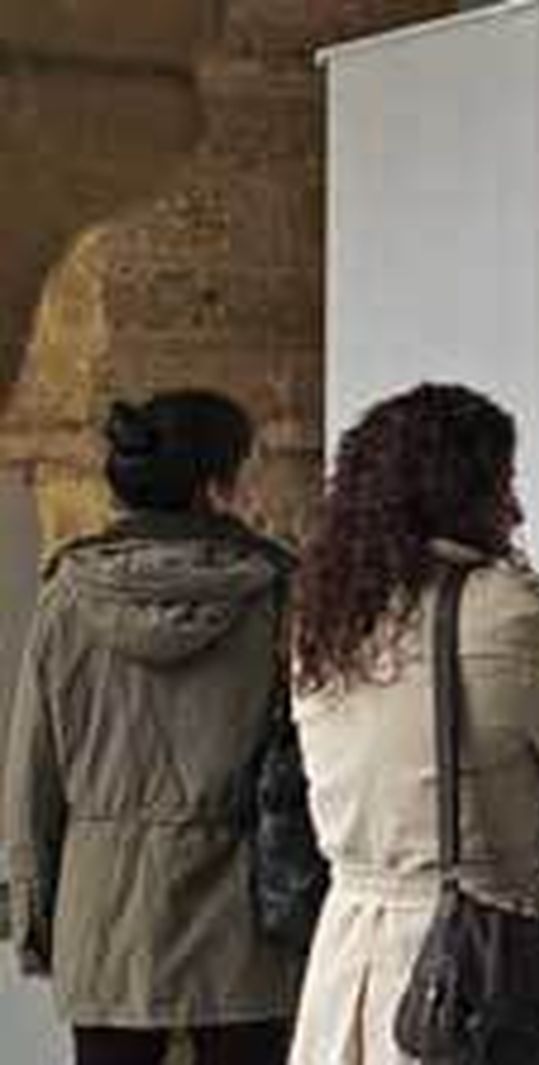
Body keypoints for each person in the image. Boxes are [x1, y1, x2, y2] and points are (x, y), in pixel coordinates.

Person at [288, 383, 539, 1064]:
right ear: (461, 493)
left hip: (349, 952)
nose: (515, 509)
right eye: (501, 484)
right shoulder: (503, 611)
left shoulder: (325, 613)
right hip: (479, 960)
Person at [4, 390, 304, 1065]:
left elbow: (33, 769)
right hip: (246, 913)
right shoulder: (277, 593)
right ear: (214, 486)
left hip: (105, 908)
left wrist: (30, 910)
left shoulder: (68, 596)